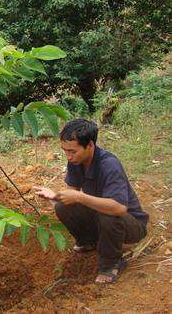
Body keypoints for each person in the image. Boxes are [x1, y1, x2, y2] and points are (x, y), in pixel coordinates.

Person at [34, 118, 149, 284]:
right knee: (62, 207)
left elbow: (119, 208)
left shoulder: (109, 165)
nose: (68, 156)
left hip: (130, 225)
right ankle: (89, 242)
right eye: (65, 150)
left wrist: (80, 197)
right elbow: (72, 193)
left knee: (108, 214)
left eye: (72, 151)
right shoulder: (76, 161)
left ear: (90, 146)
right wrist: (55, 196)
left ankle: (111, 264)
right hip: (101, 216)